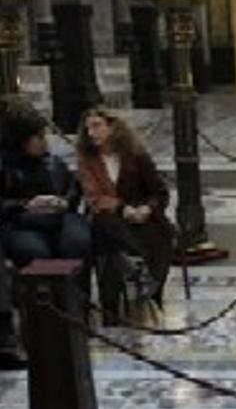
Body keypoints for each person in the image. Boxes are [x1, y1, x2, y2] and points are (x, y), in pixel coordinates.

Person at [76, 109, 174, 323]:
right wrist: (123, 209)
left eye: (97, 126)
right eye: (88, 128)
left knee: (155, 237)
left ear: (111, 127)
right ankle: (138, 273)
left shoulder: (136, 155)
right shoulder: (87, 160)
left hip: (142, 214)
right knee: (107, 225)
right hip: (110, 217)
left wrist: (147, 209)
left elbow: (159, 192)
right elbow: (94, 197)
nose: (92, 133)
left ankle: (143, 278)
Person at [0, 107, 91, 289]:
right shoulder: (6, 167)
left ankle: (75, 298)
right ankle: (48, 298)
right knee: (34, 252)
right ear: (22, 141)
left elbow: (72, 190)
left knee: (77, 243)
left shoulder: (53, 162)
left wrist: (64, 201)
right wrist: (27, 204)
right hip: (21, 222)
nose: (44, 142)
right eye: (38, 137)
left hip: (60, 217)